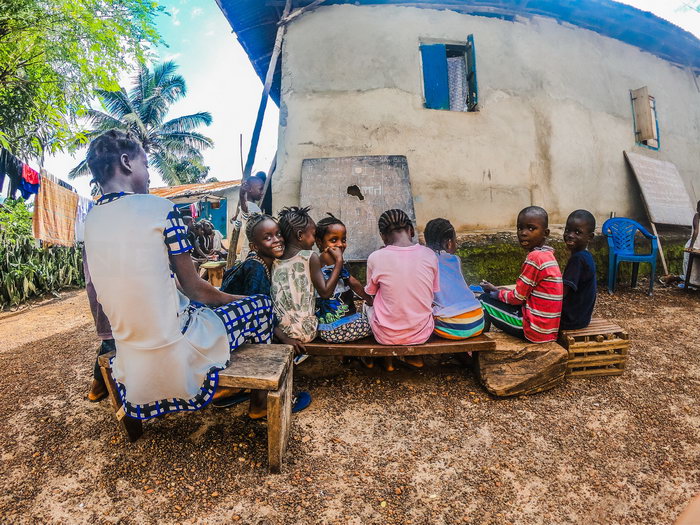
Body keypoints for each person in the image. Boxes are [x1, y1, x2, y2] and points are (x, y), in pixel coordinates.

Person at [83, 129, 274, 420]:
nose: (148, 175)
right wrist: (238, 299)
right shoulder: (161, 208)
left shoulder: (92, 220)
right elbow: (196, 289)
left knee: (193, 310)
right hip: (177, 348)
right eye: (145, 165)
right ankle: (256, 400)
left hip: (131, 354)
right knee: (260, 306)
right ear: (126, 162)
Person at [219, 213, 311, 416]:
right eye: (268, 237)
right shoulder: (256, 267)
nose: (277, 239)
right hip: (229, 334)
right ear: (254, 246)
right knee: (272, 345)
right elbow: (257, 317)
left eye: (278, 234)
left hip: (229, 330)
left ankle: (234, 391)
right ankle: (260, 404)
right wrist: (284, 337)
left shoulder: (263, 262)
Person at [364, 209, 439, 371]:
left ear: (383, 236)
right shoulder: (430, 255)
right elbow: (432, 294)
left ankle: (385, 359)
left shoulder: (375, 257)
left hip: (385, 336)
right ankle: (413, 356)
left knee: (368, 306)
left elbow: (370, 294)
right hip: (422, 334)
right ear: (411, 230)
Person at [479, 206, 563, 343]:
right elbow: (524, 293)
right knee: (498, 296)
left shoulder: (535, 258)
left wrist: (496, 294)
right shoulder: (547, 255)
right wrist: (498, 290)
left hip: (534, 330)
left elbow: (518, 297)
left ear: (545, 233)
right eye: (520, 228)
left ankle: (478, 350)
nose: (523, 233)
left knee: (483, 300)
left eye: (531, 228)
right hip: (547, 329)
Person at [271, 206, 344, 356]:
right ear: (300, 235)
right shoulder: (309, 256)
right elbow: (325, 292)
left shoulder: (274, 260)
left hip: (279, 333)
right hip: (305, 331)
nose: (313, 241)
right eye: (313, 234)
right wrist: (339, 262)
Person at [314, 213, 373, 343]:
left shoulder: (319, 260)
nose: (340, 244)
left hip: (326, 328)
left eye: (343, 239)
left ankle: (364, 360)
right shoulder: (331, 258)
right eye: (334, 240)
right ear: (319, 242)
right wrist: (370, 299)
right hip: (340, 328)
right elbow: (353, 283)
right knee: (379, 324)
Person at [424, 218, 484, 340]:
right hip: (478, 320)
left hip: (453, 326)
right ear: (449, 243)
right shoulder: (456, 260)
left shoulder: (424, 262)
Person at [560, 210, 597, 331]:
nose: (570, 235)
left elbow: (562, 293)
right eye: (567, 230)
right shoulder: (585, 256)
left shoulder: (578, 259)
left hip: (569, 320)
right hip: (582, 319)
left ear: (590, 237)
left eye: (577, 232)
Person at [236, 172, 266, 259]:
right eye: (260, 189)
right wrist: (242, 196)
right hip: (251, 252)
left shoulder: (252, 207)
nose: (262, 192)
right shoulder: (250, 207)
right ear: (249, 189)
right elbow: (246, 213)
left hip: (247, 250)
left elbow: (237, 226)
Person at [684, 200, 700, 287]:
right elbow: (696, 232)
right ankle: (692, 284)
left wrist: (691, 246)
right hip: (695, 244)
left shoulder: (697, 215)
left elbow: (696, 231)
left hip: (695, 245)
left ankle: (692, 285)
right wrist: (691, 246)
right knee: (693, 267)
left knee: (693, 268)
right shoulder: (697, 215)